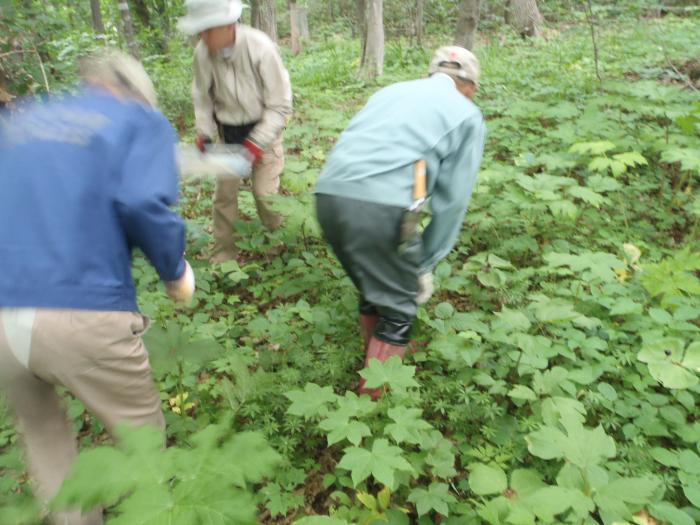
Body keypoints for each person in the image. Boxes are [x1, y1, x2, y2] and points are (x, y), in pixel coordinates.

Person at [0, 50, 194, 525]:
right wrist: (175, 270)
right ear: (134, 91)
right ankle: (158, 511)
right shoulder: (137, 120)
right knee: (141, 434)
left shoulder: (23, 122)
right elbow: (143, 201)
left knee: (43, 434)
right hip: (83, 311)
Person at [315, 46, 486, 399]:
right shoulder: (467, 114)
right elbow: (452, 203)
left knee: (375, 286)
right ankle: (371, 408)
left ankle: (371, 361)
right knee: (399, 309)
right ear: (469, 86)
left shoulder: (390, 92)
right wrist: (424, 264)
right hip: (382, 208)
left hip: (329, 197)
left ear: (431, 75)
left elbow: (405, 162)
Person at [178, 0, 293, 263]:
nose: (203, 37)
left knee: (266, 197)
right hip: (228, 135)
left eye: (208, 30)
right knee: (224, 199)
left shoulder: (259, 47)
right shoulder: (202, 53)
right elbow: (202, 98)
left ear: (229, 25)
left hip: (265, 133)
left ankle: (278, 253)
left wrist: (256, 144)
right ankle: (223, 257)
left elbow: (280, 105)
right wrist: (204, 135)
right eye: (200, 31)